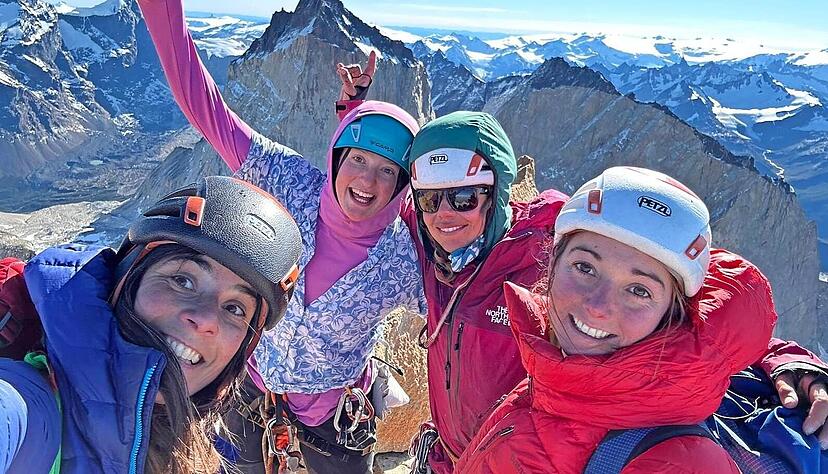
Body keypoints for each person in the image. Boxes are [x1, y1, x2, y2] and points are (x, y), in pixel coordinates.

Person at [405, 112, 828, 473]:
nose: (598, 306)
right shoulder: (450, 263)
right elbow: (369, 203)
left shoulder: (535, 245)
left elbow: (721, 326)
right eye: (585, 268)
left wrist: (785, 360)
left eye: (463, 197)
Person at [137, 1, 426, 471]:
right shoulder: (291, 181)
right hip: (249, 380)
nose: (368, 182)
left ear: (402, 185)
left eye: (387, 170)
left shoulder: (401, 258)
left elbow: (459, 307)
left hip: (334, 410)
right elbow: (205, 106)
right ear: (335, 158)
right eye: (356, 160)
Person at [454, 166, 775, 473]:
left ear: (671, 313)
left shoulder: (681, 463)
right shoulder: (553, 373)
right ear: (553, 261)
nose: (598, 306)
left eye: (638, 290)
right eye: (585, 268)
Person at [0, 176, 302, 474]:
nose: (206, 319)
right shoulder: (27, 412)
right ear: (126, 282)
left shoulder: (189, 444)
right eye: (183, 280)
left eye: (235, 308)